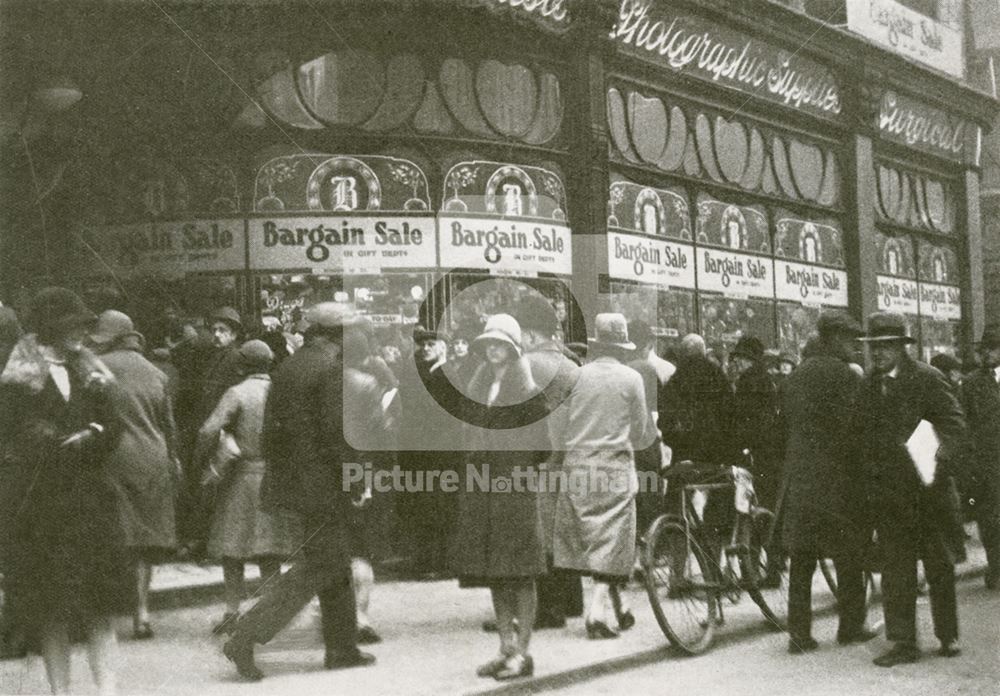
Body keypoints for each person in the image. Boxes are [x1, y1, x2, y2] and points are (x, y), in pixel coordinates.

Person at [222, 303, 374, 681]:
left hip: (296, 484)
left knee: (334, 563)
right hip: (325, 486)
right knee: (318, 567)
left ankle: (343, 648)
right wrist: (356, 480)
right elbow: (338, 435)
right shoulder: (331, 369)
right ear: (334, 333)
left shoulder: (288, 367)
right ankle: (245, 635)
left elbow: (272, 433)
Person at [0, 287, 129, 695]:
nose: (80, 333)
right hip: (44, 509)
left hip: (91, 502)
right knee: (51, 611)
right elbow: (10, 433)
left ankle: (106, 691)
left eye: (82, 326)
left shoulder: (90, 371)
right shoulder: (18, 379)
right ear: (50, 330)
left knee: (100, 609)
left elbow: (114, 425)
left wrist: (93, 435)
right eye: (72, 326)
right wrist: (43, 439)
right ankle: (61, 692)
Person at [858, 312, 968, 666]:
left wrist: (935, 458)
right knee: (896, 571)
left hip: (929, 493)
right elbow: (861, 435)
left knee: (940, 567)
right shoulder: (870, 386)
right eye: (874, 348)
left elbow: (954, 426)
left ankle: (947, 635)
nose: (877, 354)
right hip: (890, 496)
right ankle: (903, 642)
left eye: (885, 347)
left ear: (902, 348)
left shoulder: (928, 379)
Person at [451, 314, 548, 680]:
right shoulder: (479, 385)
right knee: (496, 570)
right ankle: (505, 647)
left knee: (521, 571)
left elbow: (544, 447)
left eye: (500, 344)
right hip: (484, 487)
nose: (493, 349)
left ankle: (522, 653)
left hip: (514, 489)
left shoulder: (527, 390)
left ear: (513, 348)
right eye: (488, 343)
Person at [778, 311, 875, 653]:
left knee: (802, 560)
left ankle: (798, 635)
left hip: (800, 480)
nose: (855, 348)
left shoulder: (793, 378)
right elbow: (856, 430)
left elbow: (781, 431)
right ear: (834, 339)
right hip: (837, 480)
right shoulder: (845, 376)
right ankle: (850, 626)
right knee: (849, 556)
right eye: (850, 341)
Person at [552, 314, 649, 639]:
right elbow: (641, 430)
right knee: (614, 540)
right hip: (614, 469)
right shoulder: (632, 378)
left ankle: (620, 609)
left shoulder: (575, 376)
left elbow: (559, 427)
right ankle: (596, 612)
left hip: (578, 467)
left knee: (590, 540)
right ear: (622, 345)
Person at [195, 340, 302, 634]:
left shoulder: (237, 393)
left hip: (241, 478)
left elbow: (208, 430)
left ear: (242, 365)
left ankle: (232, 613)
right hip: (274, 476)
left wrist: (207, 457)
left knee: (233, 550)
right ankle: (272, 614)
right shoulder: (282, 393)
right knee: (269, 551)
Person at [88, 310, 180, 641]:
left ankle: (107, 618)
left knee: (112, 536)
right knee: (144, 542)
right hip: (153, 459)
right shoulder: (156, 373)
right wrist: (173, 459)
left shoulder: (99, 368)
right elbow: (169, 425)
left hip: (111, 458)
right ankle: (142, 613)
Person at [514, 296, 583, 630]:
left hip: (537, 458)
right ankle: (571, 602)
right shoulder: (573, 366)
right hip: (568, 458)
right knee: (562, 528)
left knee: (536, 532)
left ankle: (545, 610)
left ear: (528, 333)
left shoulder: (525, 363)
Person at [396, 325, 463, 577]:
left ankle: (437, 563)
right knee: (432, 507)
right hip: (432, 453)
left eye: (431, 345)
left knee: (436, 508)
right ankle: (433, 561)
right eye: (422, 344)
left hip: (438, 454)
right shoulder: (432, 373)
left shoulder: (445, 375)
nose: (425, 348)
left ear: (442, 348)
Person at [959, 325, 1000, 591]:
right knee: (989, 518)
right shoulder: (971, 383)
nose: (986, 354)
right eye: (984, 350)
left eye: (992, 349)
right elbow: (962, 421)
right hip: (986, 462)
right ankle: (995, 565)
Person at [626, 319, 675, 537]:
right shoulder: (659, 369)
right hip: (650, 441)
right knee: (651, 495)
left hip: (628, 443)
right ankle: (652, 546)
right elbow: (662, 410)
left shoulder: (627, 368)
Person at [657, 333, 734, 469]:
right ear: (703, 351)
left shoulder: (677, 379)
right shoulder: (718, 376)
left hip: (684, 451)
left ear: (682, 354)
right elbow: (730, 412)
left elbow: (665, 417)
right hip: (715, 452)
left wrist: (673, 440)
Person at [729, 336, 783, 512]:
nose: (736, 362)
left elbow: (746, 417)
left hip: (753, 451)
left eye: (740, 358)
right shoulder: (764, 379)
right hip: (766, 451)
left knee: (750, 499)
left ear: (749, 360)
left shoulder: (749, 382)